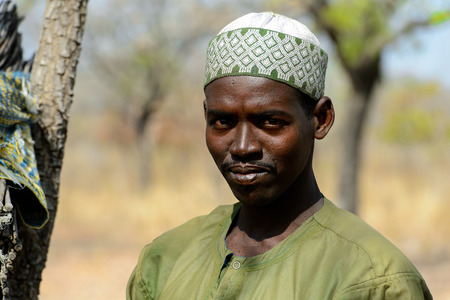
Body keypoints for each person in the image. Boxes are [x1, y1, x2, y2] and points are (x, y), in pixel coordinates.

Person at [127, 12, 432, 299]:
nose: (243, 146)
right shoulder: (165, 260)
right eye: (223, 122)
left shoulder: (374, 281)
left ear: (320, 119)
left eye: (270, 122)